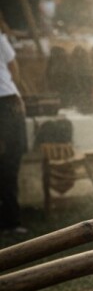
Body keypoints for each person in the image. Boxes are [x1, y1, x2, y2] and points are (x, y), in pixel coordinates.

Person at [0, 19, 27, 235]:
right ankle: (10, 219)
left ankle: (10, 218)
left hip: (9, 100)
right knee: (10, 161)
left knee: (10, 160)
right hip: (8, 102)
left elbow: (12, 67)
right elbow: (13, 67)